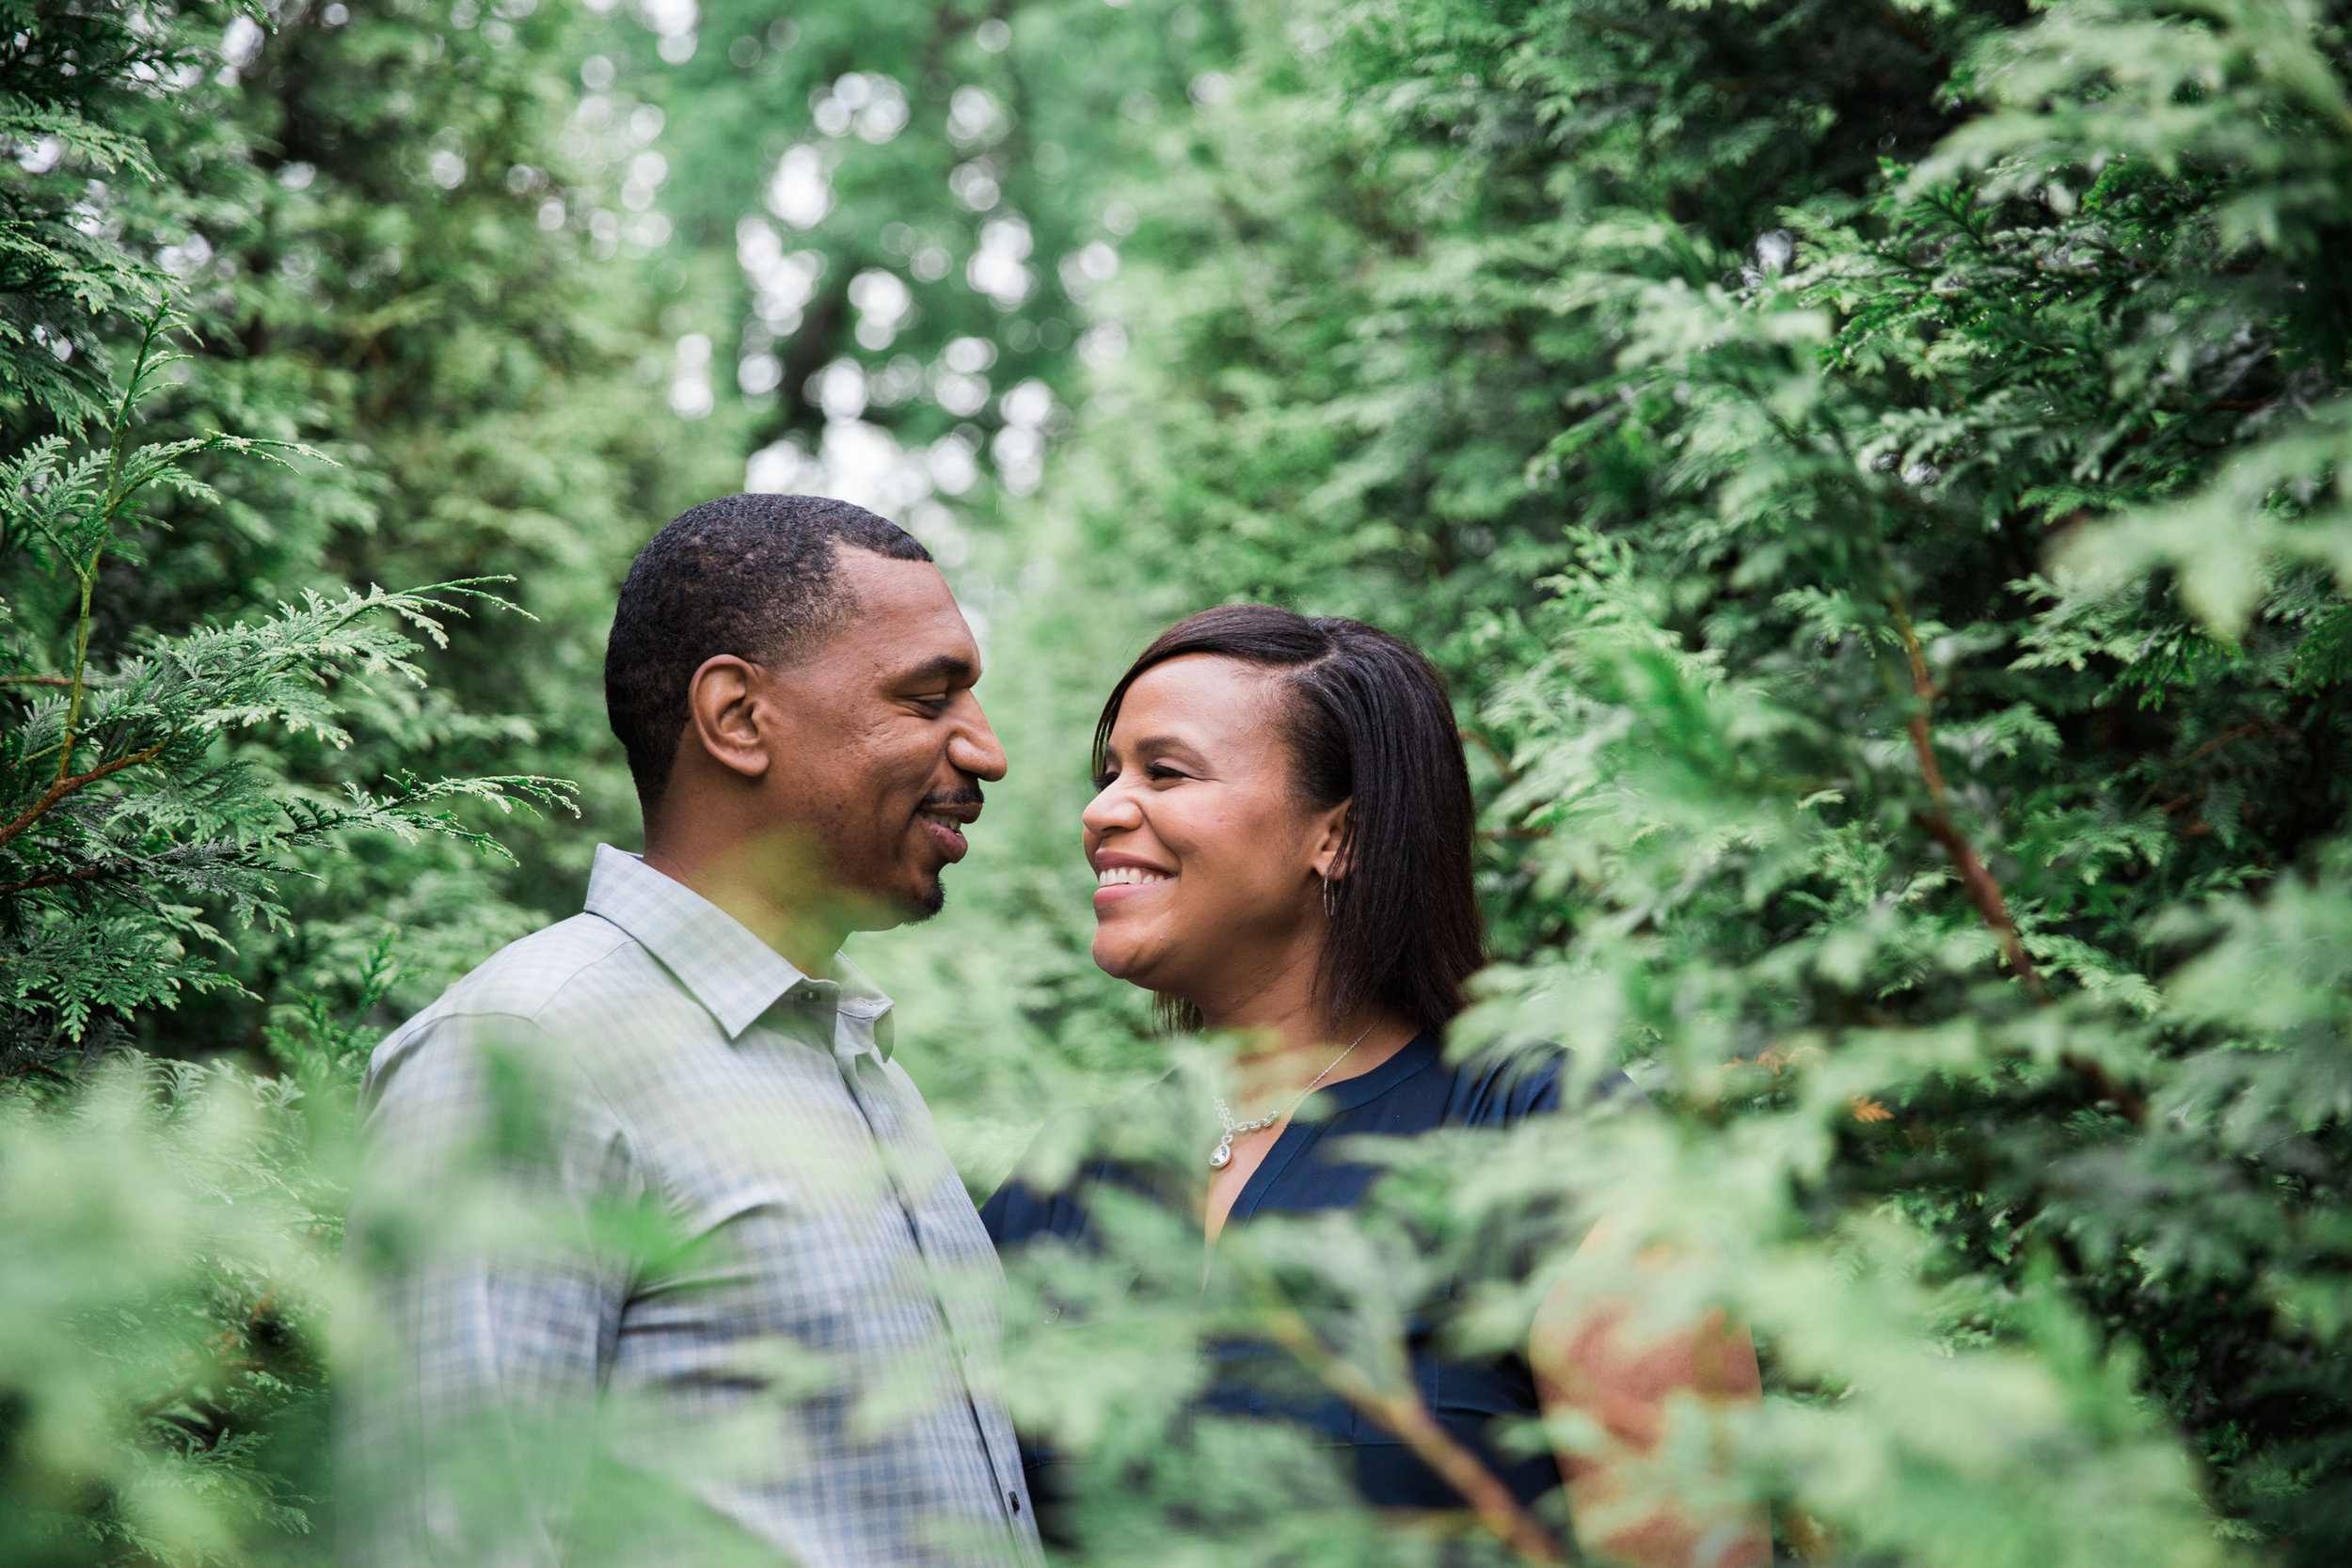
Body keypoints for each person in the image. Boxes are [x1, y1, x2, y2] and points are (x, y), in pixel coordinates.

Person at [980, 604, 1767, 1567]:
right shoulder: (1062, 1183)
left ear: (1338, 833)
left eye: (1165, 770)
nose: (1103, 808)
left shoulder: (1548, 1136)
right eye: (1110, 772)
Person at [339, 495, 1040, 1568]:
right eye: (929, 697)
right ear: (739, 716)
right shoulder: (526, 1049)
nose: (985, 752)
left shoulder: (858, 1063)